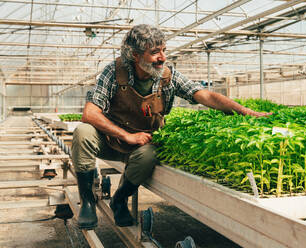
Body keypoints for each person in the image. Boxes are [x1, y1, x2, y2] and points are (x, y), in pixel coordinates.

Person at [71, 24, 271, 230]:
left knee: (149, 156)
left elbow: (206, 96)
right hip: (111, 139)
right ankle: (87, 202)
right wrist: (127, 136)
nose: (163, 57)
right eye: (155, 52)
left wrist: (246, 112)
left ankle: (119, 199)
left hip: (143, 143)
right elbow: (90, 113)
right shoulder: (114, 72)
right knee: (82, 132)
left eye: (164, 50)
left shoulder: (168, 76)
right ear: (135, 55)